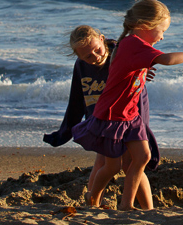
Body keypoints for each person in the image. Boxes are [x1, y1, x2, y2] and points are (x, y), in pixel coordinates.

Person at [72, 0, 183, 210]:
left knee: (143, 156)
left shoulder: (135, 45)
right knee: (112, 166)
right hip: (113, 114)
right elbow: (167, 59)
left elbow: (129, 67)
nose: (163, 36)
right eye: (162, 30)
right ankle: (92, 197)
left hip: (130, 113)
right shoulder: (133, 43)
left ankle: (126, 205)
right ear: (144, 26)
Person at [43, 25, 157, 204]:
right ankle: (93, 202)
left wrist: (144, 69)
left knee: (131, 162)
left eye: (97, 50)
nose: (95, 57)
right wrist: (65, 131)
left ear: (102, 39)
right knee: (103, 162)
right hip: (101, 118)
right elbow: (76, 98)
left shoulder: (120, 54)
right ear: (78, 56)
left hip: (130, 113)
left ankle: (147, 209)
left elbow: (141, 57)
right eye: (88, 56)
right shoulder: (81, 66)